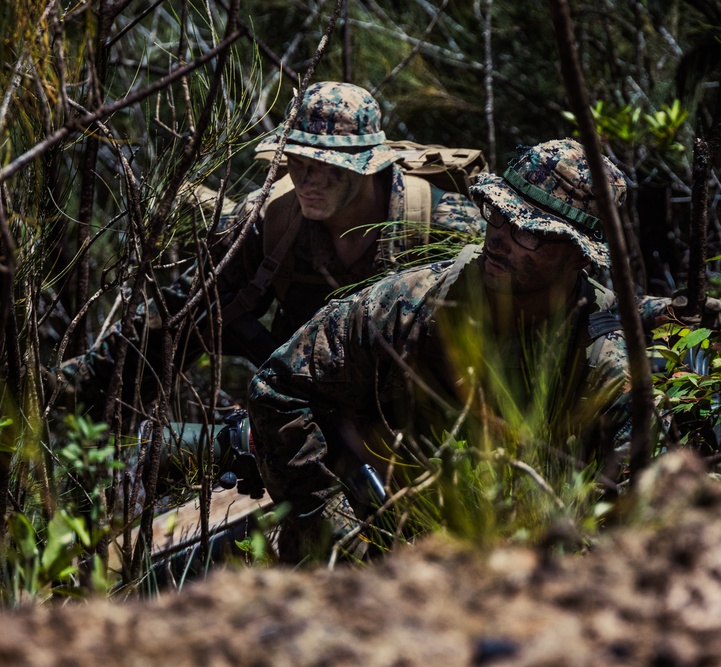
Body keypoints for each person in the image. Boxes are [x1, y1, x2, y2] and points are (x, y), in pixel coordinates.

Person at [246, 138, 639, 562]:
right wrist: (339, 530)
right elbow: (277, 388)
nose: (500, 238)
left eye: (528, 232)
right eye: (498, 214)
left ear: (579, 257)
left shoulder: (608, 362)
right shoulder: (408, 304)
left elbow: (628, 519)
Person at [57, 81, 483, 418]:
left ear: (368, 164)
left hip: (419, 414)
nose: (308, 179)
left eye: (329, 166)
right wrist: (72, 385)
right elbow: (179, 312)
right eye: (297, 160)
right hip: (300, 407)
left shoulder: (442, 226)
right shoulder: (271, 219)